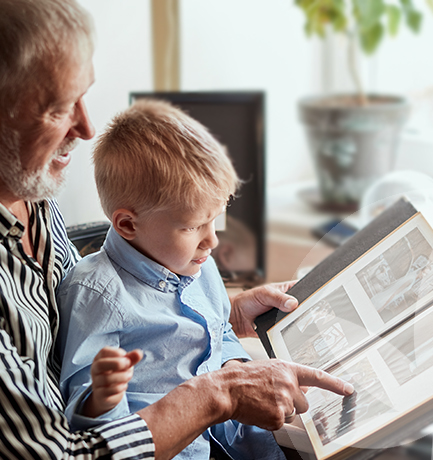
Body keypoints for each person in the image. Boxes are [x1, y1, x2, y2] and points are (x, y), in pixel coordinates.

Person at [0, 0, 354, 458]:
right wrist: (216, 394)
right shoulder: (95, 290)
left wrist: (225, 316)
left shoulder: (33, 192)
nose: (87, 128)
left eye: (83, 95)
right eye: (57, 108)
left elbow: (154, 317)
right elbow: (69, 444)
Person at [58, 98, 289, 460]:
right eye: (193, 226)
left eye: (215, 220)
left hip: (237, 443)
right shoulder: (95, 292)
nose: (211, 239)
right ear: (128, 225)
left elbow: (219, 333)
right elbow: (87, 414)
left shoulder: (198, 262)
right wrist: (101, 399)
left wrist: (234, 364)